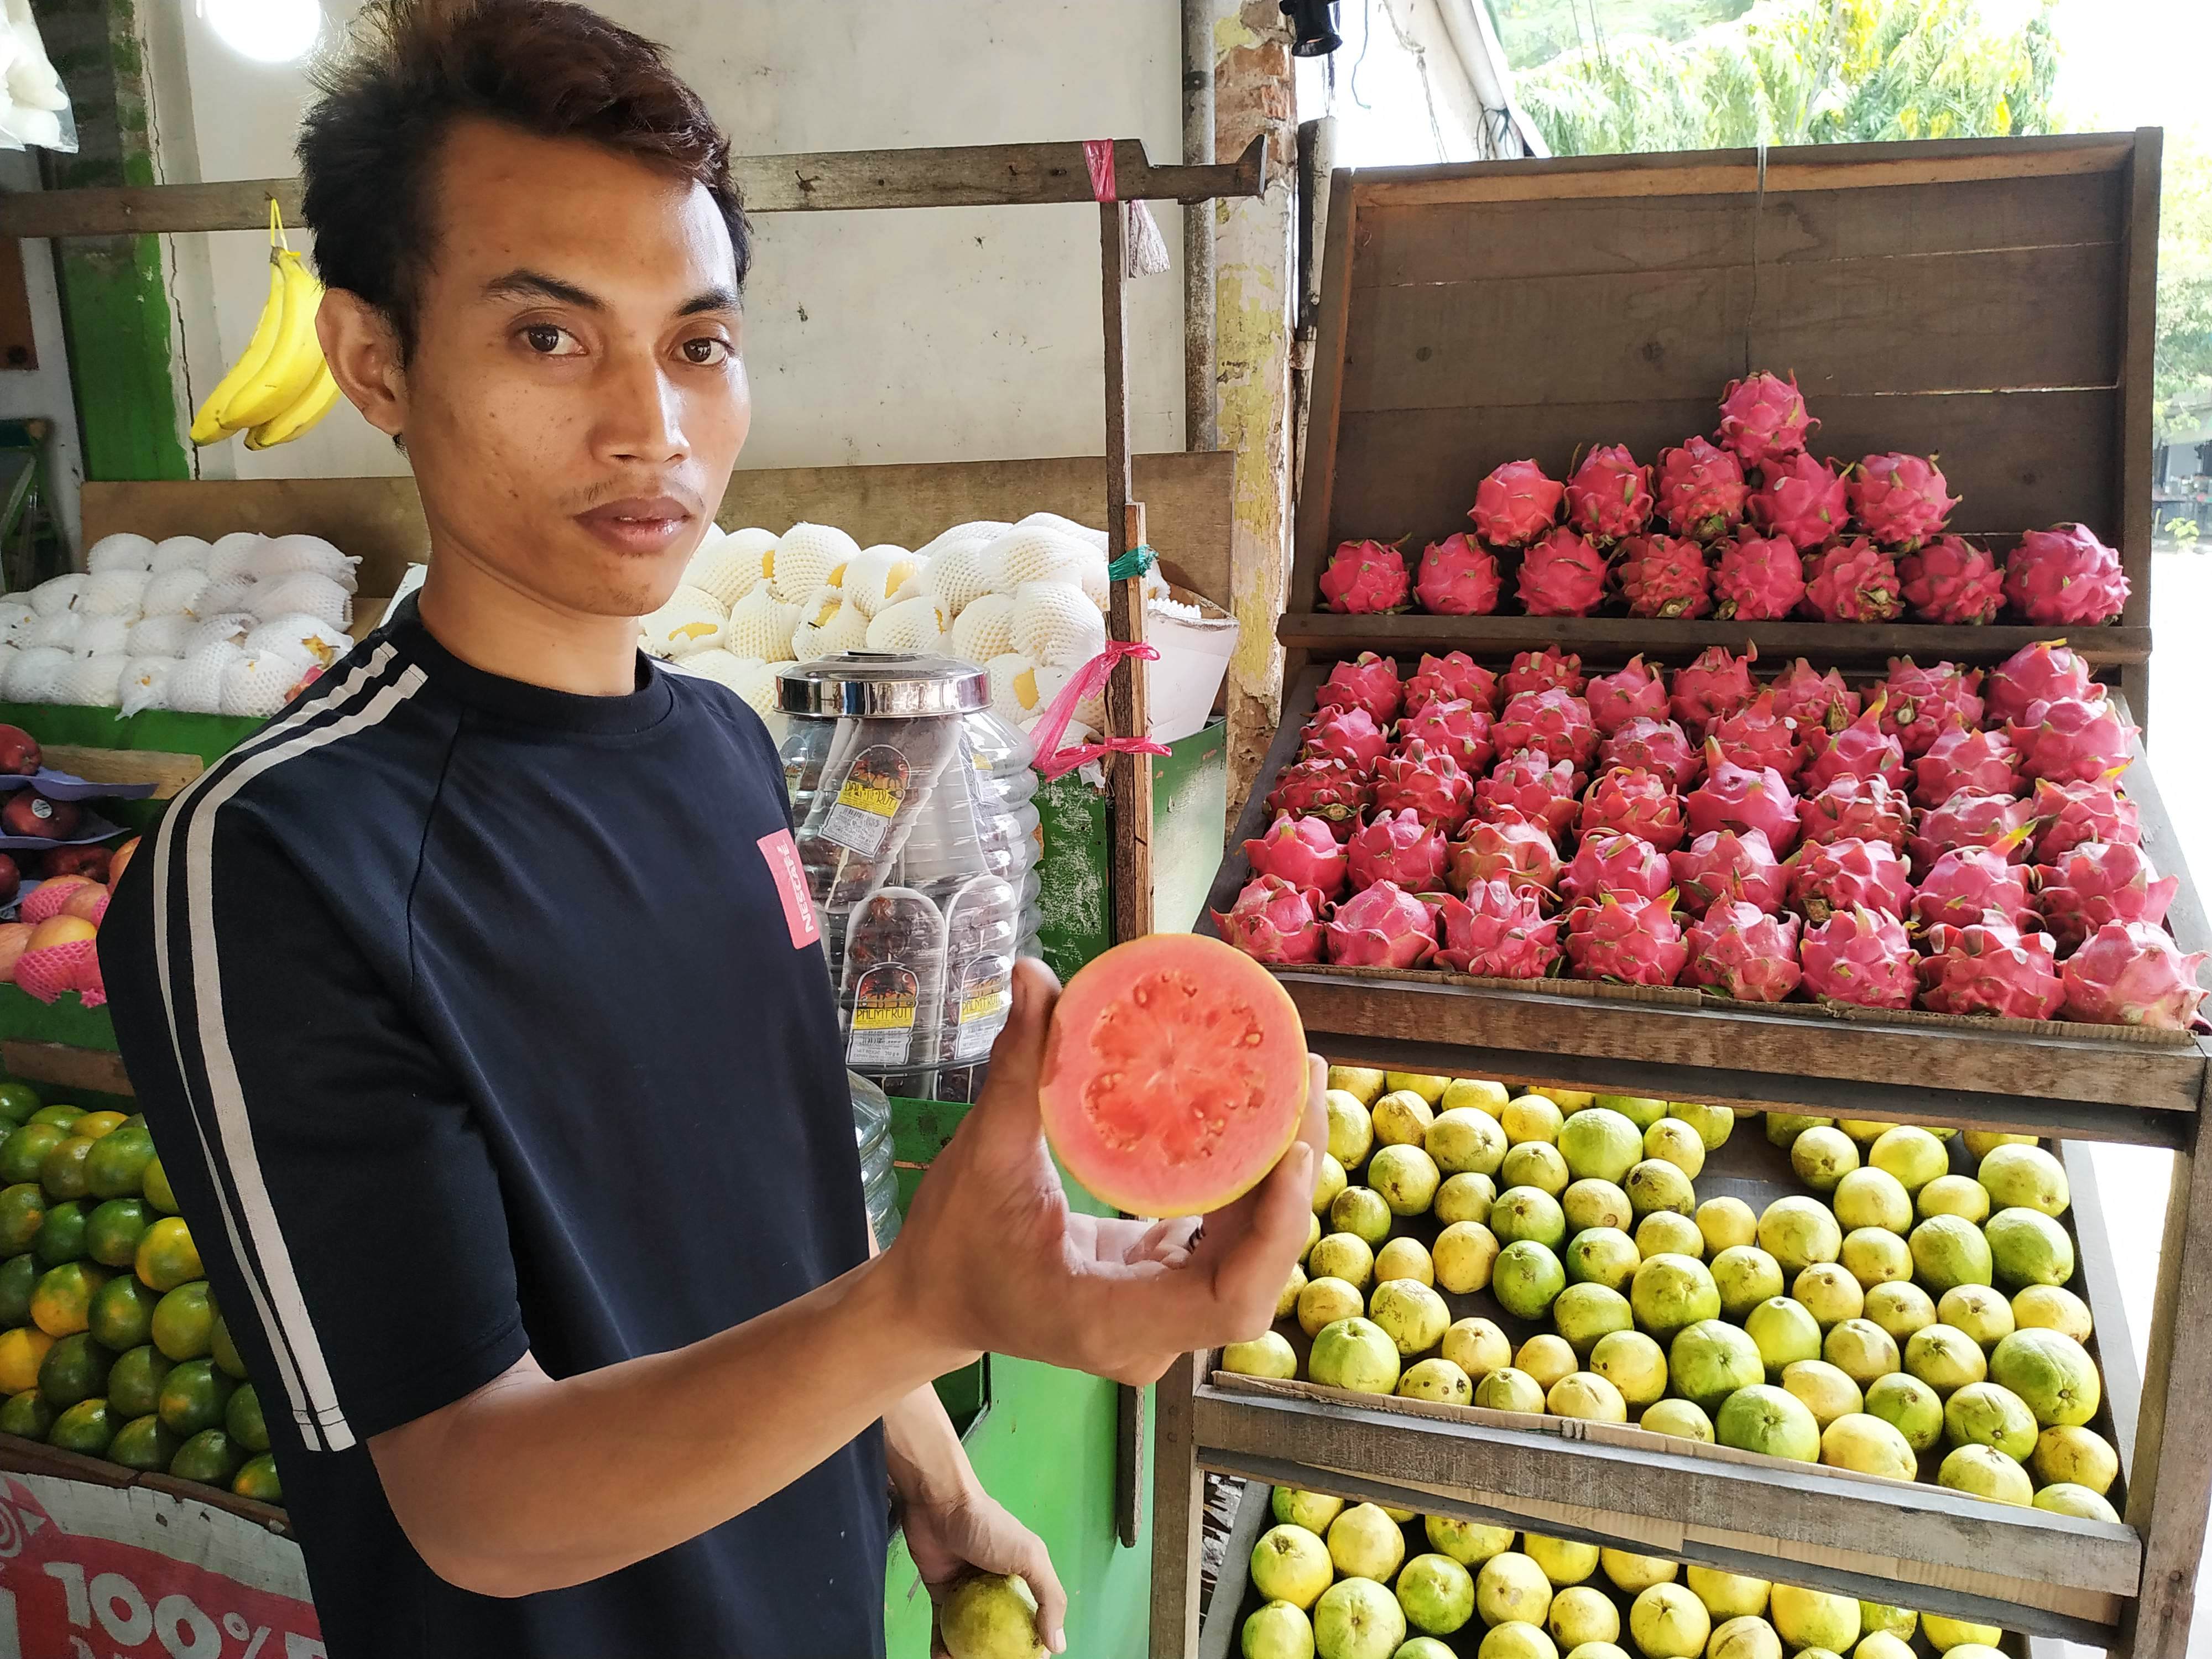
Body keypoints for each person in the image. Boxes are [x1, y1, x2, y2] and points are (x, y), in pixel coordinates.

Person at [97, 3, 1323, 1656]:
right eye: (550, 338)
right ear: (374, 359)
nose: (650, 430)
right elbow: (470, 1495)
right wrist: (929, 1307)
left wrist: (919, 1450)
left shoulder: (730, 756)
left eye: (698, 342)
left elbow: (772, 1208)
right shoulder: (275, 865)